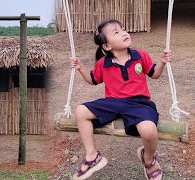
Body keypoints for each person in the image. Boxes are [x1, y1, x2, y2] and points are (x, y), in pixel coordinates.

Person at [70, 19, 171, 180]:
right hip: (113, 103)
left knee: (149, 130)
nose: (124, 32)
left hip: (139, 103)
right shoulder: (103, 63)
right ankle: (92, 155)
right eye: (116, 32)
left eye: (123, 29)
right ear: (107, 46)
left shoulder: (140, 55)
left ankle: (149, 158)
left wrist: (162, 62)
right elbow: (92, 80)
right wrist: (80, 67)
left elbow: (155, 74)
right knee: (80, 111)